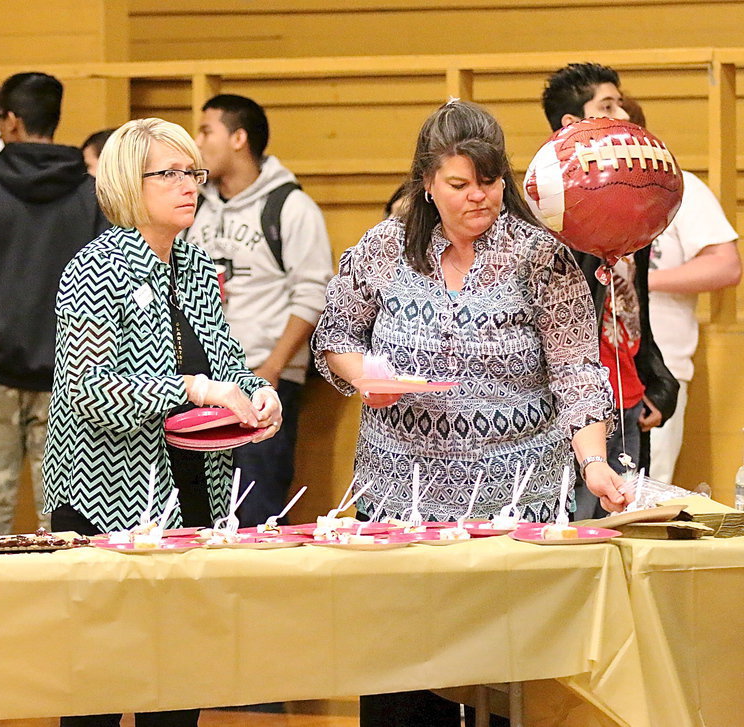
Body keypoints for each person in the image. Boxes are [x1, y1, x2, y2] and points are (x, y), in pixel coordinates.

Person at [313, 100, 626, 727]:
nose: (477, 197)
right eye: (458, 184)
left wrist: (593, 461)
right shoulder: (381, 248)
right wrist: (366, 374)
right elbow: (335, 337)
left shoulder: (542, 256)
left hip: (513, 495)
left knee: (505, 675)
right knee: (401, 671)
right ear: (427, 183)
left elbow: (575, 369)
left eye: (489, 182)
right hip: (400, 489)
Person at [44, 117, 280, 726]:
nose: (188, 186)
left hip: (193, 494)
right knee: (100, 680)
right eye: (169, 173)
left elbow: (224, 357)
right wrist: (193, 388)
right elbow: (90, 391)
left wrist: (258, 392)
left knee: (178, 679)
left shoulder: (198, 266)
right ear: (129, 181)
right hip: (108, 499)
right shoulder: (95, 268)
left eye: (192, 172)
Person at [0, 72, 109, 535]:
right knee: (67, 518)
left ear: (10, 121)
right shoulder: (92, 195)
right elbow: (111, 288)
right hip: (73, 378)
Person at [187, 93, 333, 527]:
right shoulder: (191, 206)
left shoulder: (289, 207)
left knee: (254, 512)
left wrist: (270, 369)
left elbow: (313, 294)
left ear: (238, 138)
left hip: (263, 386)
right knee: (198, 519)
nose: (197, 142)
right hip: (201, 390)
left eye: (205, 131)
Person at [542, 63, 678, 515]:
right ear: (572, 125)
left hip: (629, 398)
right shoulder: (547, 209)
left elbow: (634, 304)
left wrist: (657, 381)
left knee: (627, 535)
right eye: (607, 105)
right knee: (576, 541)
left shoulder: (630, 200)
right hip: (572, 412)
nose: (622, 114)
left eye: (620, 103)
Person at [621, 97, 740, 484]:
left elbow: (726, 264)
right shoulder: (568, 192)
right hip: (590, 371)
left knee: (645, 489)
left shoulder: (679, 187)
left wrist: (637, 282)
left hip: (657, 367)